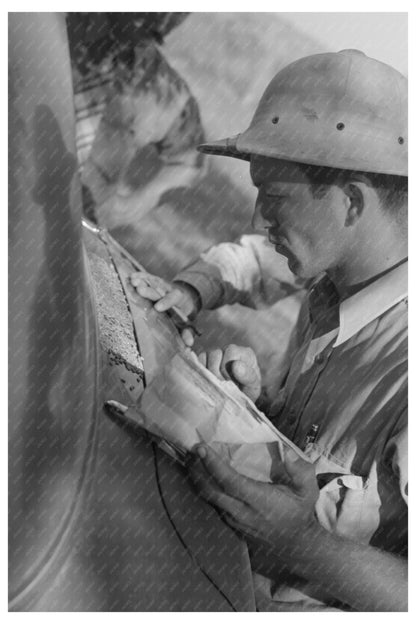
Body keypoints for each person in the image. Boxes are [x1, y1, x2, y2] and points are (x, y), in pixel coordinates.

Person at [131, 50, 408, 611]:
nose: (259, 218)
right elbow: (256, 260)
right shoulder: (335, 274)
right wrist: (259, 410)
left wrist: (296, 543)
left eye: (276, 198)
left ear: (352, 202)